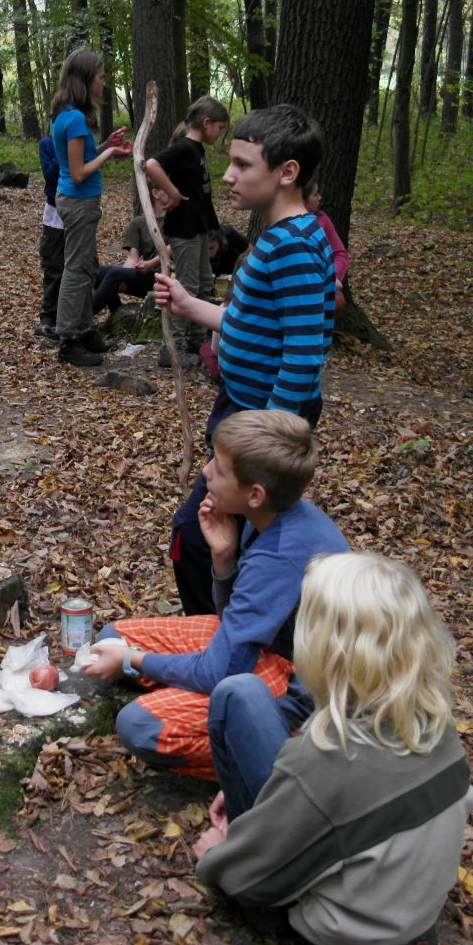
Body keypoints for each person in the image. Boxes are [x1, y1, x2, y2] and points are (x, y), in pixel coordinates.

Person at [194, 553, 473, 945]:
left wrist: (215, 856)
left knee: (252, 893)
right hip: (416, 898)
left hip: (350, 922)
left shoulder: (327, 763)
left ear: (328, 648)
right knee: (242, 695)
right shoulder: (436, 722)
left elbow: (251, 876)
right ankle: (406, 935)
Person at [81, 410, 346, 778]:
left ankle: (277, 748)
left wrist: (134, 660)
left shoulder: (278, 555)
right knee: (112, 639)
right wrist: (224, 560)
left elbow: (222, 670)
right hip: (259, 649)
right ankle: (186, 695)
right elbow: (232, 620)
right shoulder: (268, 517)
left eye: (220, 470)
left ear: (255, 494)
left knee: (140, 725)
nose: (206, 471)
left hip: (301, 686)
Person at [154, 104, 338, 617]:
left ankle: (224, 639)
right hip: (247, 413)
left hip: (261, 420)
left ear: (287, 172)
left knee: (196, 538)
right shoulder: (283, 237)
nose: (228, 176)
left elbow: (304, 353)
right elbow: (250, 323)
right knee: (224, 537)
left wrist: (265, 440)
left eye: (242, 164)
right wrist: (189, 305)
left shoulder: (293, 247)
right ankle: (234, 633)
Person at [49, 48, 132, 368]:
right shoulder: (74, 119)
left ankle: (84, 331)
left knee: (86, 267)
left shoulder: (68, 115)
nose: (103, 82)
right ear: (85, 80)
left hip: (77, 200)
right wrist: (109, 154)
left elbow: (81, 159)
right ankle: (69, 340)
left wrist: (106, 145)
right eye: (100, 77)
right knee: (76, 269)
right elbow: (79, 172)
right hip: (78, 202)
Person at [142, 95, 230, 368]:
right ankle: (172, 349)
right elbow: (151, 165)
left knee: (203, 283)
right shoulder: (183, 147)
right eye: (219, 128)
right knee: (186, 287)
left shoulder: (197, 149)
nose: (219, 134)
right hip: (184, 229)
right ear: (206, 123)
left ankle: (195, 341)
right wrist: (172, 193)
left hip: (198, 228)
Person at [91, 186, 172, 317]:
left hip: (167, 276)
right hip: (146, 276)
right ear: (155, 193)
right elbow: (132, 258)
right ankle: (118, 314)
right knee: (96, 272)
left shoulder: (175, 220)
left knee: (115, 273)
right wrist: (124, 278)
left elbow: (173, 247)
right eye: (166, 186)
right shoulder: (138, 223)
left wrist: (150, 264)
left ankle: (81, 320)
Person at [34, 135, 64, 342]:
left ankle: (74, 318)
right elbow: (51, 175)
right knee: (54, 267)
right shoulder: (47, 144)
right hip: (55, 215)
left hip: (78, 213)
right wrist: (64, 150)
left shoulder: (80, 140)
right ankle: (49, 320)